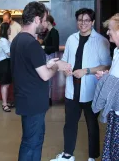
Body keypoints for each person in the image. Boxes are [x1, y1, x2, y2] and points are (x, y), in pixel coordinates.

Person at [10, 1, 71, 161]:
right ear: (37, 19)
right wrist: (57, 65)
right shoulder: (32, 44)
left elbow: (31, 68)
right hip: (34, 102)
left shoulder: (17, 40)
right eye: (44, 20)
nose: (45, 24)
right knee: (33, 143)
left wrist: (48, 65)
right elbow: (45, 75)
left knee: (28, 142)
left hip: (25, 98)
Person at [50, 8, 112, 161]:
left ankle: (92, 156)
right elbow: (65, 59)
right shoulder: (71, 39)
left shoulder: (101, 41)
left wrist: (87, 71)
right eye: (80, 20)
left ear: (92, 22)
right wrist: (64, 69)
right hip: (72, 89)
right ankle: (67, 155)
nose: (82, 23)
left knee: (92, 125)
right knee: (70, 123)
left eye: (86, 20)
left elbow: (107, 66)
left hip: (91, 91)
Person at [92, 13, 119, 161]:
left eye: (111, 29)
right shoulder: (116, 51)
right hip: (114, 110)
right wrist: (106, 76)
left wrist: (107, 79)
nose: (108, 32)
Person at [42, 15, 59, 106]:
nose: (42, 24)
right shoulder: (48, 32)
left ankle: (48, 99)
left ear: (48, 22)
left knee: (48, 79)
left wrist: (43, 47)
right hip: (47, 57)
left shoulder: (54, 32)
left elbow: (55, 47)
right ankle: (46, 98)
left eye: (44, 21)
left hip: (50, 57)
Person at [0, 22, 13, 112]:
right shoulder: (3, 41)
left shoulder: (4, 40)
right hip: (4, 64)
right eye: (9, 28)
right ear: (6, 30)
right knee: (5, 85)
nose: (10, 30)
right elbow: (9, 53)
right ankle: (4, 104)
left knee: (6, 84)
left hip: (5, 64)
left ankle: (5, 102)